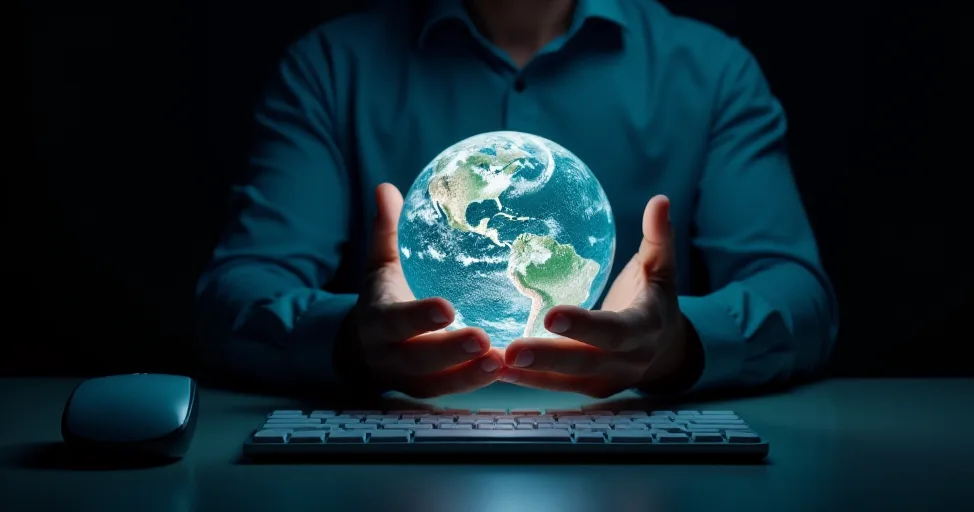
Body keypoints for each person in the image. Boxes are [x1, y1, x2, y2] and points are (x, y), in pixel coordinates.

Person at [195, 0, 839, 400]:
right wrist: (346, 340)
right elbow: (237, 291)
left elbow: (799, 294)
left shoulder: (712, 70)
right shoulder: (330, 68)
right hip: (391, 444)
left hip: (630, 445)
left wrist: (682, 344)